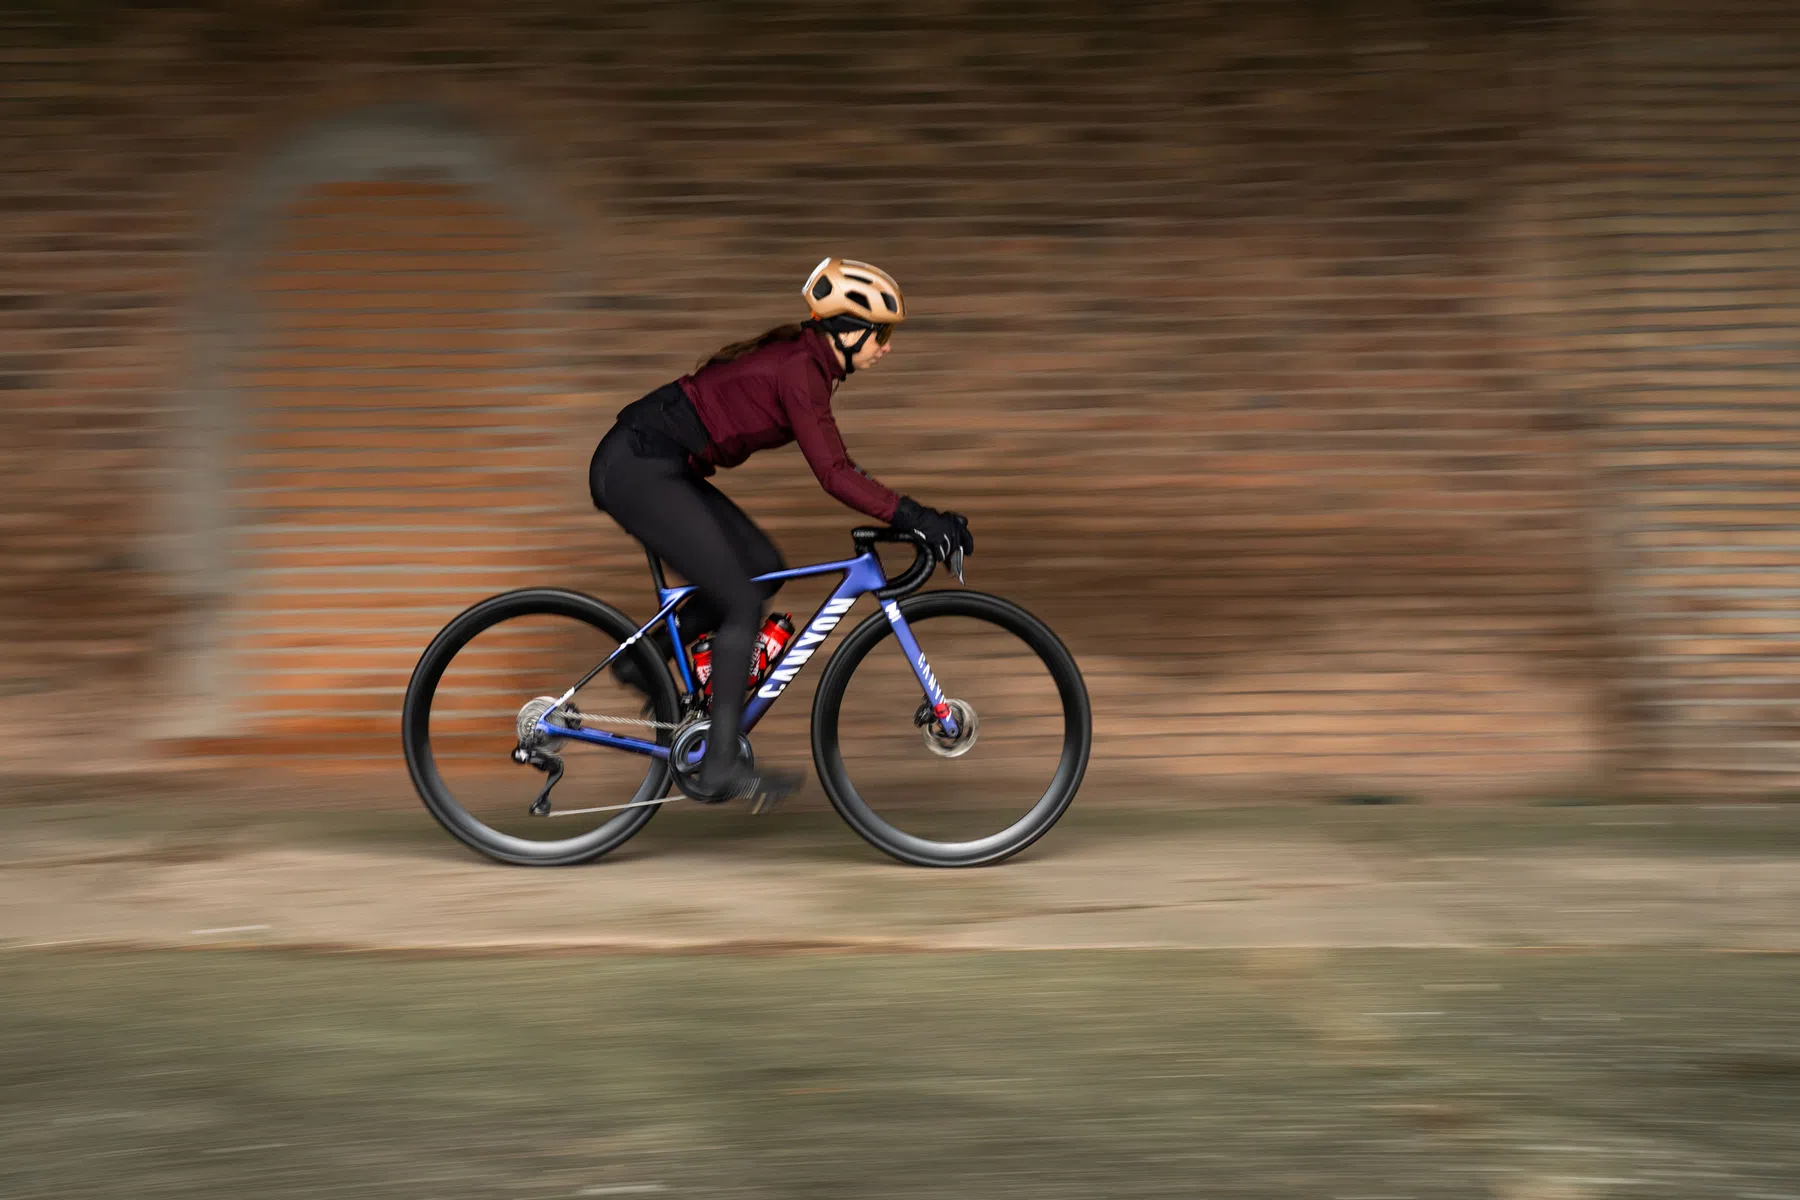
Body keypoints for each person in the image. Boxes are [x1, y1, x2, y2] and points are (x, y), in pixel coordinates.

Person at [588, 257, 975, 811]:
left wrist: (913, 514)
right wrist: (916, 516)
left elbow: (838, 465)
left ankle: (640, 660)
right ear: (847, 330)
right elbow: (835, 475)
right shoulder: (802, 369)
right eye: (881, 333)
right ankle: (720, 762)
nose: (887, 346)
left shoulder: (808, 363)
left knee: (759, 563)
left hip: (659, 464)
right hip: (637, 467)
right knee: (741, 600)